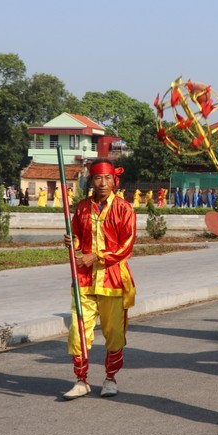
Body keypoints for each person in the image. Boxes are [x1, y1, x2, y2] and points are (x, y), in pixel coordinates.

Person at [62, 158, 137, 399]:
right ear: (91, 181)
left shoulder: (125, 209)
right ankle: (81, 380)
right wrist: (71, 242)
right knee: (78, 332)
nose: (102, 183)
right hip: (83, 280)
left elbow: (127, 246)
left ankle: (110, 378)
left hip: (113, 280)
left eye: (107, 178)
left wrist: (97, 256)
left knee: (114, 333)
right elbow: (76, 237)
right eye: (97, 178)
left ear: (114, 180)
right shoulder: (82, 207)